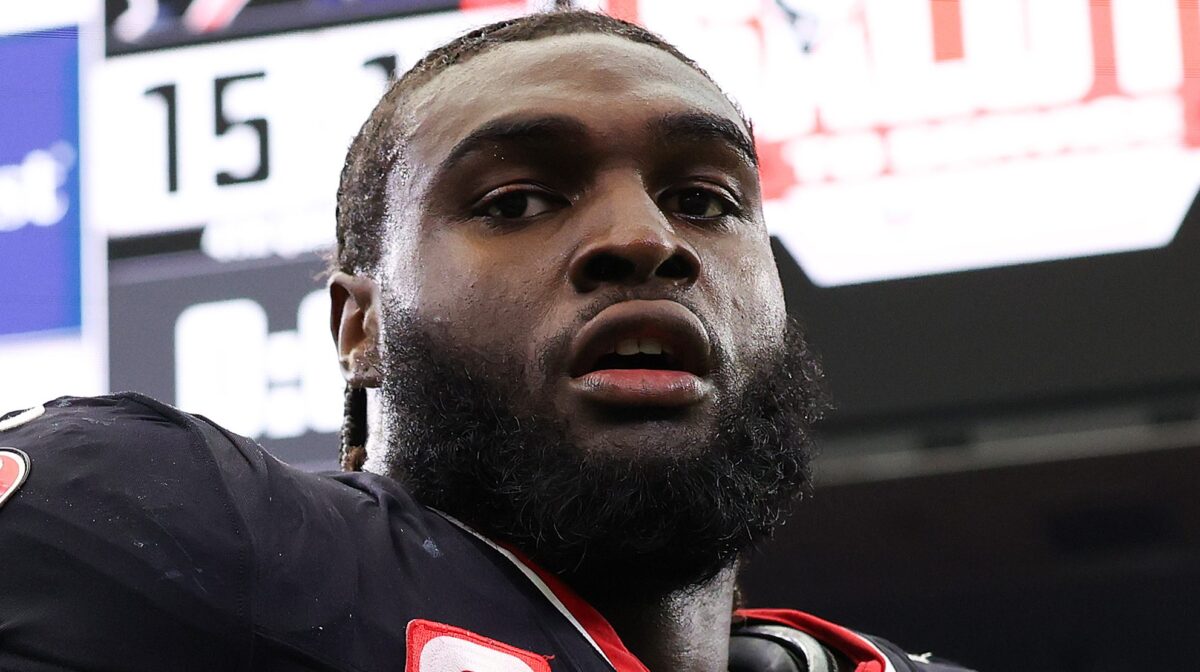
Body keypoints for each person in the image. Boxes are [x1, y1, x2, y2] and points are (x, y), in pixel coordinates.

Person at [0, 10, 975, 672]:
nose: (646, 239)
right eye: (516, 201)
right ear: (360, 325)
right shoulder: (160, 525)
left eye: (704, 199)